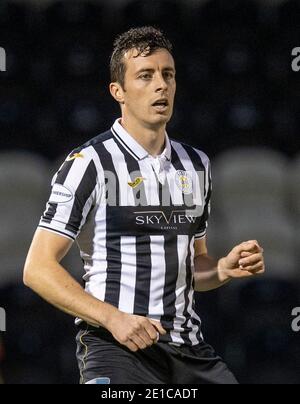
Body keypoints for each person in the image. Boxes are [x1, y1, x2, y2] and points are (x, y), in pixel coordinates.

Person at [24, 26, 265, 384]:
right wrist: (113, 318)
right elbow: (37, 269)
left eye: (168, 74)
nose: (161, 85)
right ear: (117, 91)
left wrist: (223, 270)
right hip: (115, 348)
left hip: (188, 349)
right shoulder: (89, 162)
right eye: (146, 75)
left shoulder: (196, 164)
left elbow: (193, 266)